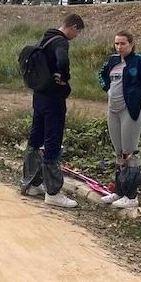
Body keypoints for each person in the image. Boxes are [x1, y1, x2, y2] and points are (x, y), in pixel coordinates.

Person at [98, 31, 141, 208]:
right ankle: (119, 192)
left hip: (130, 111)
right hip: (112, 110)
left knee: (129, 152)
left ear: (131, 44)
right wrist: (106, 88)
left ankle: (131, 197)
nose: (119, 47)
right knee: (119, 152)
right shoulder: (112, 61)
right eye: (116, 44)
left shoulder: (139, 61)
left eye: (123, 43)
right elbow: (101, 75)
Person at [20, 13, 85, 208]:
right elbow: (62, 60)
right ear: (73, 27)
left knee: (35, 139)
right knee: (52, 142)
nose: (75, 36)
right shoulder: (61, 42)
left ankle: (30, 184)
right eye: (77, 32)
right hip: (53, 99)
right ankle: (53, 192)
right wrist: (63, 76)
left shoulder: (45, 37)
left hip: (38, 96)